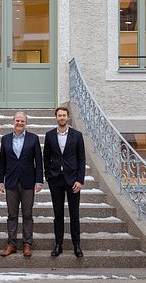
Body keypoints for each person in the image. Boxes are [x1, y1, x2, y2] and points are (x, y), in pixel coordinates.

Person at [0, 111, 43, 257]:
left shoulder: (33, 139)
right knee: (12, 215)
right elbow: (1, 162)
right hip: (11, 182)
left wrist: (39, 180)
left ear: (26, 123)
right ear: (13, 122)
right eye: (17, 121)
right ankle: (11, 244)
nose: (20, 123)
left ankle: (27, 244)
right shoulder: (5, 139)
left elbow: (39, 161)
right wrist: (0, 180)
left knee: (27, 214)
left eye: (22, 121)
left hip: (28, 182)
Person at [43, 106, 86, 257]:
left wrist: (80, 180)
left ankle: (77, 245)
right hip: (56, 180)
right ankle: (58, 244)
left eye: (64, 115)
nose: (62, 118)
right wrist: (48, 176)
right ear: (56, 117)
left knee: (74, 215)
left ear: (68, 118)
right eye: (59, 115)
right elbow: (46, 158)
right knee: (58, 215)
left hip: (73, 181)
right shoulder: (49, 135)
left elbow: (81, 159)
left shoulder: (77, 135)